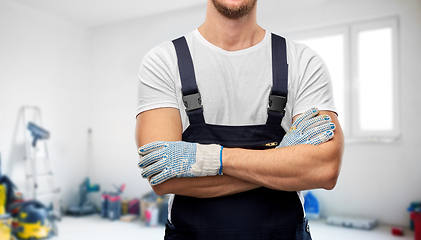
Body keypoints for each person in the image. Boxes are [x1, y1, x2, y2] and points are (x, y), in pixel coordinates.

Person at [135, 0, 344, 239]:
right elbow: (163, 177)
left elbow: (325, 169)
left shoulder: (303, 62)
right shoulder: (163, 62)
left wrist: (207, 159)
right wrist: (282, 158)